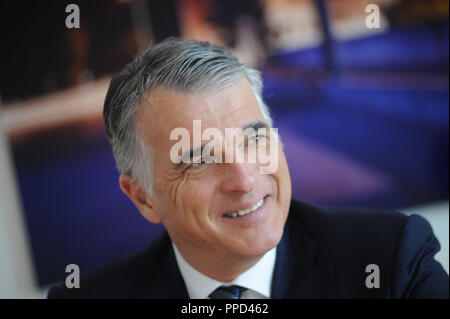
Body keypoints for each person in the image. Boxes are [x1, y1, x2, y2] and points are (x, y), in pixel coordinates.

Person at [47, 38, 448, 299]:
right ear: (143, 196)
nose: (245, 178)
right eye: (199, 158)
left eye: (254, 138)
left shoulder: (393, 260)